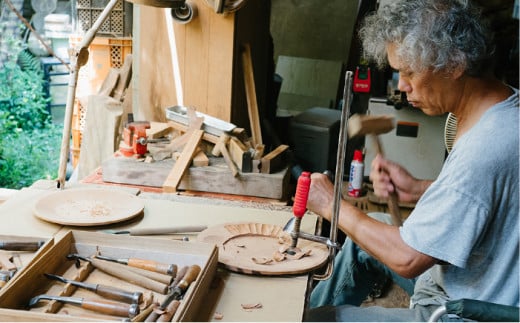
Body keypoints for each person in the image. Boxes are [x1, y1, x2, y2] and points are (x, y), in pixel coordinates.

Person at [304, 0, 519, 321]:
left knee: (319, 322)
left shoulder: (484, 147)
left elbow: (407, 259)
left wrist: (332, 205)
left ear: (454, 65)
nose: (402, 86)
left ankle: (309, 317)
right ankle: (307, 308)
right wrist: (419, 189)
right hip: (466, 278)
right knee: (368, 233)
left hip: (467, 310)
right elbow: (491, 196)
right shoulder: (503, 107)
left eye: (409, 72)